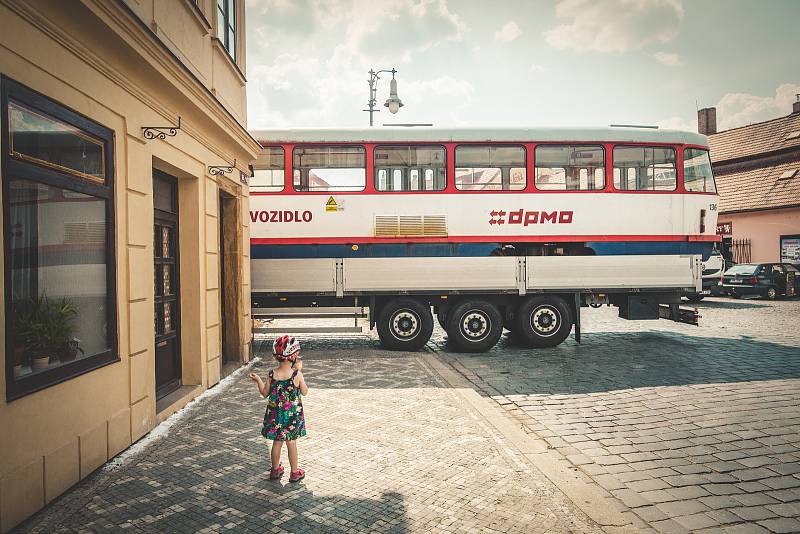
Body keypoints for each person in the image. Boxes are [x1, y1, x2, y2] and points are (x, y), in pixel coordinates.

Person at [249, 335, 308, 482]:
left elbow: (264, 393)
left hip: (275, 416)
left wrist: (258, 380)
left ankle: (275, 470)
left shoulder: (271, 374)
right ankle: (294, 472)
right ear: (292, 357)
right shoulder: (296, 374)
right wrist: (300, 375)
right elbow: (305, 392)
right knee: (291, 442)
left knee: (277, 442)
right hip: (291, 417)